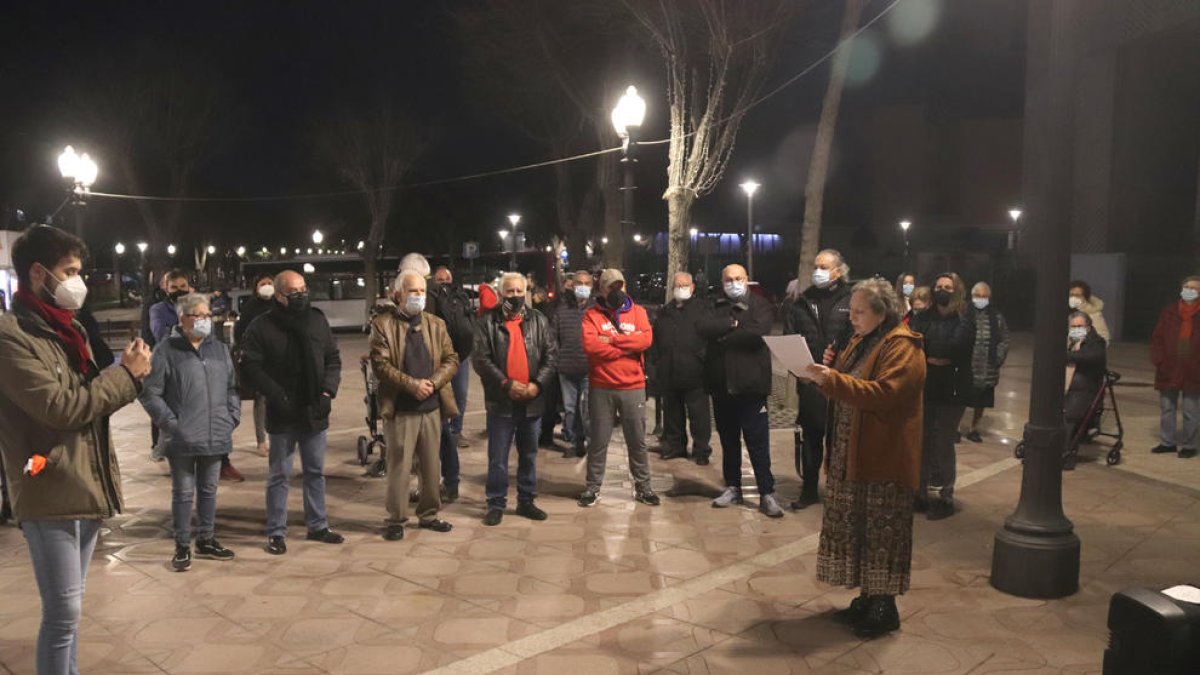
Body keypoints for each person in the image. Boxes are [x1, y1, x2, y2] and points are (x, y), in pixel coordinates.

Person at [0, 225, 152, 674]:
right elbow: (63, 408)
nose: (77, 282)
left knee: (73, 612)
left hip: (84, 480)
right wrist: (126, 376)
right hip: (47, 485)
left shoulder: (69, 331)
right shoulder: (11, 337)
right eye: (69, 271)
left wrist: (123, 374)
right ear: (38, 274)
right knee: (62, 614)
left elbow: (87, 405)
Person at [804, 278, 926, 639]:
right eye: (851, 311)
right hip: (851, 454)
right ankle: (867, 597)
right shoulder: (861, 340)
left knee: (881, 530)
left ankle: (884, 603)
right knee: (857, 527)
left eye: (859, 312)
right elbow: (845, 384)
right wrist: (828, 373)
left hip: (882, 458)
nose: (851, 317)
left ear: (881, 312)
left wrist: (834, 380)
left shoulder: (903, 346)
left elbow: (885, 394)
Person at [240, 270, 344, 555]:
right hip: (283, 412)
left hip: (314, 410)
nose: (300, 296)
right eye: (293, 292)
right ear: (279, 296)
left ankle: (318, 524)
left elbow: (333, 359)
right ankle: (276, 530)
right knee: (279, 474)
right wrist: (277, 394)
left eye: (303, 290)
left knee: (314, 471)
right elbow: (251, 366)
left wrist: (327, 392)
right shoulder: (262, 326)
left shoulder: (317, 321)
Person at [139, 293, 239, 571]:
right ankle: (182, 544)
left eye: (208, 315)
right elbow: (150, 393)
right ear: (183, 318)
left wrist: (231, 416)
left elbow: (231, 387)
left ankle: (206, 539)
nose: (205, 320)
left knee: (209, 490)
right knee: (183, 492)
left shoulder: (219, 349)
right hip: (181, 438)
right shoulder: (166, 350)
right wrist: (172, 425)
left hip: (216, 433)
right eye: (198, 315)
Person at [369, 271, 459, 539]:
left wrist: (432, 382)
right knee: (399, 465)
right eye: (412, 291)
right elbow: (380, 364)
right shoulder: (382, 325)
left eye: (421, 291)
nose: (418, 296)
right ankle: (396, 518)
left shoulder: (436, 324)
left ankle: (429, 514)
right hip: (401, 408)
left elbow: (451, 359)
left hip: (431, 407)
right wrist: (412, 385)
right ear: (398, 295)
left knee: (432, 465)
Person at [698, 264, 784, 518]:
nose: (733, 283)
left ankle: (766, 492)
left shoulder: (760, 305)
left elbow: (758, 333)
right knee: (729, 442)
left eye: (738, 278)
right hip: (722, 386)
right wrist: (732, 323)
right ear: (722, 281)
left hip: (751, 387)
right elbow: (703, 328)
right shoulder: (714, 304)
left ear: (747, 280)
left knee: (758, 443)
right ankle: (733, 486)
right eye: (728, 279)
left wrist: (723, 335)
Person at [473, 273, 558, 526]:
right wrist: (506, 384)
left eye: (520, 291)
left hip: (532, 400)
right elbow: (481, 359)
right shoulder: (487, 322)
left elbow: (551, 356)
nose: (516, 296)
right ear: (501, 294)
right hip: (501, 402)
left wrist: (537, 385)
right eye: (510, 292)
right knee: (498, 457)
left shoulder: (539, 320)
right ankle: (496, 502)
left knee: (529, 454)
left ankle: (526, 500)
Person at [578, 268, 660, 507]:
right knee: (598, 441)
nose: (616, 291)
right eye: (610, 287)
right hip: (601, 387)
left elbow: (645, 340)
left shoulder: (639, 312)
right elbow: (592, 346)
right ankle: (592, 488)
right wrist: (627, 346)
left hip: (633, 386)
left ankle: (644, 487)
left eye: (619, 286)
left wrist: (611, 340)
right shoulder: (592, 315)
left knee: (637, 441)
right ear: (601, 290)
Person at [783, 249, 853, 510]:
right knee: (811, 438)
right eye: (816, 266)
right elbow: (790, 336)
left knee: (839, 440)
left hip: (841, 385)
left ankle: (838, 490)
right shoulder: (803, 300)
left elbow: (858, 337)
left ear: (838, 270)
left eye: (824, 266)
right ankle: (809, 489)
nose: (818, 271)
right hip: (810, 383)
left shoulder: (852, 298)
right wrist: (798, 372)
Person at [909, 272, 972, 520]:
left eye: (947, 287)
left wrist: (936, 354)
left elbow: (958, 348)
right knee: (922, 440)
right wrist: (933, 357)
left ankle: (946, 495)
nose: (942, 290)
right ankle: (920, 492)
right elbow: (913, 344)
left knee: (944, 441)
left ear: (956, 291)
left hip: (952, 388)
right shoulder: (924, 318)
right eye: (938, 286)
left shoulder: (964, 319)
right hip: (926, 385)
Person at [651, 272, 712, 464]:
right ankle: (676, 447)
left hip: (696, 373)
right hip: (670, 372)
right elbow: (657, 339)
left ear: (692, 287)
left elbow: (710, 338)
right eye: (677, 285)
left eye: (685, 285)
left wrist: (702, 358)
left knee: (699, 416)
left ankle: (701, 450)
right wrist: (656, 365)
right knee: (673, 414)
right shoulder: (665, 311)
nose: (681, 288)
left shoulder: (702, 309)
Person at [428, 265, 476, 501]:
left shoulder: (460, 296)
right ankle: (440, 482)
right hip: (437, 364)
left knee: (459, 400)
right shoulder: (430, 299)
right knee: (441, 427)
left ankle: (448, 481)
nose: (444, 282)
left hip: (459, 358)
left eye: (448, 278)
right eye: (440, 279)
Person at [1148, 276, 1200, 458]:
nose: (1189, 290)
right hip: (1169, 367)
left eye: (1194, 288)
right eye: (1186, 286)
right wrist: (1158, 359)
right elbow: (1157, 337)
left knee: (1190, 410)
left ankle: (1189, 445)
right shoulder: (1170, 311)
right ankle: (1167, 442)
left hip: (1194, 369)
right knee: (1167, 407)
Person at [234, 273, 277, 456]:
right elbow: (240, 333)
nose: (267, 286)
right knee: (261, 399)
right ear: (256, 288)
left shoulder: (279, 304)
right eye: (263, 283)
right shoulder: (251, 307)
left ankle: (278, 437)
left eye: (269, 283)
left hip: (278, 358)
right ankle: (261, 441)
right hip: (259, 359)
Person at [963, 282, 1010, 443]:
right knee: (961, 399)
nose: (981, 299)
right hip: (967, 366)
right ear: (972, 296)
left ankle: (973, 428)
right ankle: (955, 428)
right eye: (978, 296)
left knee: (980, 401)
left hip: (988, 367)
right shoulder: (964, 314)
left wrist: (998, 357)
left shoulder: (996, 316)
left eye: (984, 296)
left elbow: (1004, 339)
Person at [553, 270, 593, 458]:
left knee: (585, 409)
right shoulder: (562, 310)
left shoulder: (595, 311)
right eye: (579, 283)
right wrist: (558, 358)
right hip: (566, 368)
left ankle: (587, 441)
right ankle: (575, 441)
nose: (583, 287)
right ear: (572, 285)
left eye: (587, 283)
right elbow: (553, 338)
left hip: (589, 369)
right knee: (570, 409)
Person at [1065, 311, 1108, 460]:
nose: (1076, 329)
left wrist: (1066, 356)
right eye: (1073, 326)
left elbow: (1090, 357)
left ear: (1088, 327)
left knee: (1069, 416)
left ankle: (1066, 452)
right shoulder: (1068, 341)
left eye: (1080, 326)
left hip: (1085, 389)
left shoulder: (1096, 343)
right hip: (1066, 386)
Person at [149, 270, 192, 344]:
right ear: (167, 290)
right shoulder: (158, 309)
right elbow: (161, 336)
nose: (179, 290)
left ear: (188, 287)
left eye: (183, 286)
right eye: (174, 287)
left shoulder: (198, 307)